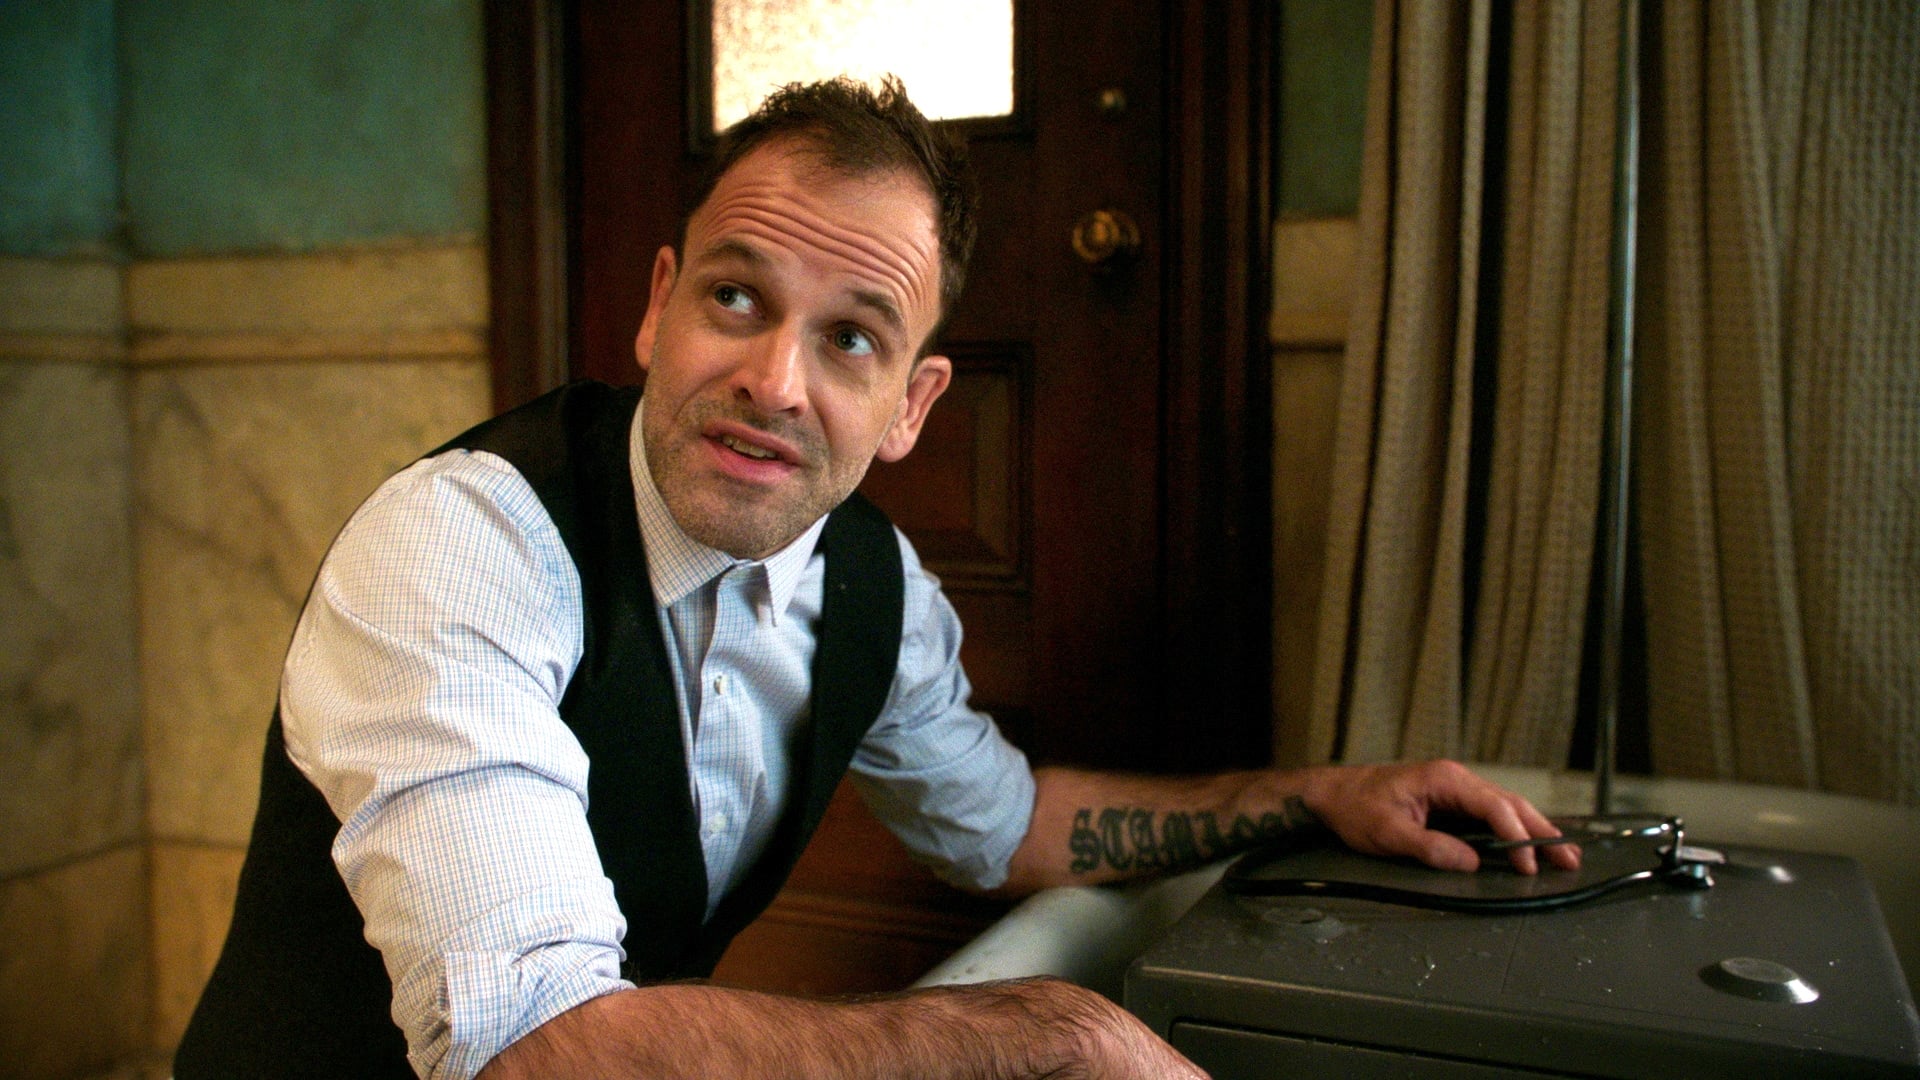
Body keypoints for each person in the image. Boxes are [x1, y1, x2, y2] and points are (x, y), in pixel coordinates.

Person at [175, 76, 1578, 1080]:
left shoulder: (876, 591)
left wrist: (1320, 796)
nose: (773, 381)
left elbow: (1010, 828)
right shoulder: (461, 543)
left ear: (914, 403)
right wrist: (1042, 1040)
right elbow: (535, 1048)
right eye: (735, 297)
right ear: (658, 306)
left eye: (851, 338)